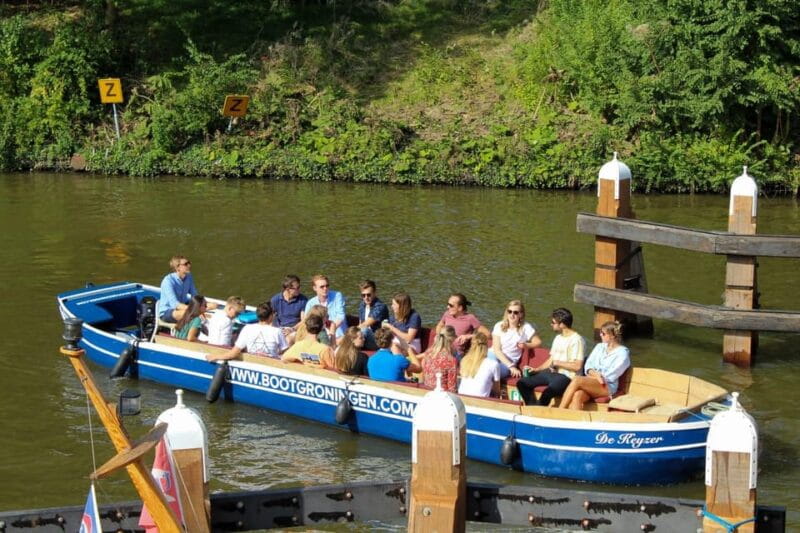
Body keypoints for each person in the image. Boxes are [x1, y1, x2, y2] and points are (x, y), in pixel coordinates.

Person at [517, 308, 586, 406]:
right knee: (522, 383)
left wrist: (557, 363)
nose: (551, 324)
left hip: (567, 377)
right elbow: (551, 360)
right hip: (553, 373)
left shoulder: (577, 340)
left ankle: (538, 411)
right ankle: (533, 407)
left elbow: (577, 366)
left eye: (553, 322)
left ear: (562, 324)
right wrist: (536, 370)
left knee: (547, 393)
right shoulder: (558, 338)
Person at [559, 321, 630, 411]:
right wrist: (596, 374)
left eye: (603, 333)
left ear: (612, 336)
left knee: (577, 379)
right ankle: (575, 422)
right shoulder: (599, 347)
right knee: (578, 395)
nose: (600, 335)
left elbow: (610, 376)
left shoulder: (623, 353)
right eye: (600, 332)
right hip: (592, 381)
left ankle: (560, 410)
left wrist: (594, 376)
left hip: (607, 387)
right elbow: (588, 365)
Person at [207, 302, 287, 361]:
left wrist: (216, 357)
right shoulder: (277, 331)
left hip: (251, 361)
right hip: (270, 363)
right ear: (270, 316)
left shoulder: (247, 328)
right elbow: (286, 353)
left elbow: (234, 353)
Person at [488, 300, 542, 379]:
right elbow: (497, 350)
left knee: (491, 371)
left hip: (509, 360)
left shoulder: (525, 327)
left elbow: (538, 342)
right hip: (494, 355)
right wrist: (511, 367)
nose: (512, 315)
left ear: (521, 314)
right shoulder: (499, 325)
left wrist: (526, 345)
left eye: (515, 312)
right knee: (488, 367)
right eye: (509, 311)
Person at [435, 293, 489, 357]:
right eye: (448, 304)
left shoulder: (470, 318)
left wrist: (469, 336)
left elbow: (487, 334)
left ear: (460, 308)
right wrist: (439, 336)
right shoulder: (447, 314)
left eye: (451, 305)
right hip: (443, 349)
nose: (447, 307)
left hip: (457, 354)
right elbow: (440, 325)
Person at [458, 332, 501, 398]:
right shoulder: (493, 364)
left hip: (462, 398)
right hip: (481, 401)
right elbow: (497, 391)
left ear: (472, 345)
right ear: (486, 346)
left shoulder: (464, 360)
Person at [157, 255, 199, 322]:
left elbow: (194, 295)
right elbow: (175, 304)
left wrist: (203, 305)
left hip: (182, 306)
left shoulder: (189, 277)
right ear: (177, 268)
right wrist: (194, 309)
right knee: (190, 314)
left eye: (189, 263)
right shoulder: (168, 281)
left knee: (212, 306)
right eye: (185, 264)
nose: (189, 265)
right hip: (167, 312)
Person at [304, 274, 347, 339]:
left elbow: (340, 317)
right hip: (318, 333)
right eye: (322, 287)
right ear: (314, 288)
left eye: (327, 286)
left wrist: (332, 330)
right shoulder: (310, 303)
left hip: (337, 331)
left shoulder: (337, 296)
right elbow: (307, 321)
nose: (325, 288)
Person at [270, 275, 308, 341]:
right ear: (288, 289)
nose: (299, 289)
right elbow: (270, 318)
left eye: (299, 287)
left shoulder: (303, 300)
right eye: (297, 288)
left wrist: (292, 329)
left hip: (295, 329)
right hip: (280, 329)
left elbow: (303, 320)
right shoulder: (275, 300)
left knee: (288, 339)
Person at [420, 326, 458, 391]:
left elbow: (423, 374)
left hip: (427, 391)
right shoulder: (451, 360)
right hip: (442, 395)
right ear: (453, 339)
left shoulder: (428, 353)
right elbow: (452, 388)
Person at [384, 292, 422, 357]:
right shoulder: (393, 317)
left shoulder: (414, 317)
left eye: (394, 304)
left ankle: (399, 364)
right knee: (383, 350)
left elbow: (409, 338)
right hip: (396, 342)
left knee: (394, 346)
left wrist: (391, 328)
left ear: (401, 306)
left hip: (411, 345)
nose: (392, 306)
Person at [356, 280, 389, 350]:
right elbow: (360, 323)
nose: (366, 298)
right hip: (364, 338)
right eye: (363, 295)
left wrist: (349, 335)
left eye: (368, 295)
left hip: (379, 341)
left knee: (364, 331)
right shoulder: (362, 305)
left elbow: (365, 325)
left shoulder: (380, 307)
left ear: (375, 293)